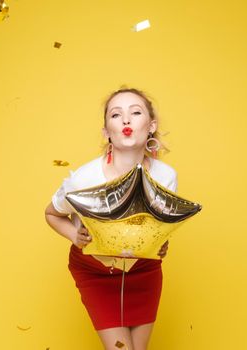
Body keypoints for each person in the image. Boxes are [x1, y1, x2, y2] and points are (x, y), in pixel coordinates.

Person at [44, 88, 178, 350]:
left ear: (151, 126)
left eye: (135, 112)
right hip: (96, 272)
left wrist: (161, 243)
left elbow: (158, 227)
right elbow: (51, 213)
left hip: (143, 271)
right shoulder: (83, 179)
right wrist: (74, 235)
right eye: (116, 115)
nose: (126, 121)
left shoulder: (166, 176)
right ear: (107, 131)